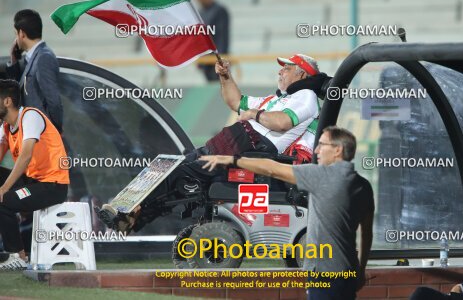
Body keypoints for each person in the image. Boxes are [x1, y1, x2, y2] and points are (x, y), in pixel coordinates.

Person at [98, 54, 324, 233]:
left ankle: (127, 213)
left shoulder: (306, 96)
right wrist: (225, 77)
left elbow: (282, 122)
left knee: (180, 173)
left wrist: (253, 114)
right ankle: (131, 216)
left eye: (287, 67)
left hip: (249, 145)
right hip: (233, 140)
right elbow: (236, 102)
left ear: (302, 74)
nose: (280, 71)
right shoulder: (277, 99)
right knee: (167, 167)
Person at [201, 126, 375, 300]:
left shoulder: (322, 176)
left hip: (324, 273)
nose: (316, 150)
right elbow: (366, 233)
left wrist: (233, 159)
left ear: (338, 150)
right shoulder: (364, 186)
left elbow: (272, 169)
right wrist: (360, 270)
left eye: (322, 144)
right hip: (349, 273)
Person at [0, 80, 69, 270]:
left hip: (52, 186)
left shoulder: (29, 116)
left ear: (7, 101)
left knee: (3, 201)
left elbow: (25, 155)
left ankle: (18, 256)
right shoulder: (6, 127)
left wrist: (4, 188)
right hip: (33, 183)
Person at [3, 9, 63, 133]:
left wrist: (55, 131)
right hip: (32, 134)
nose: (16, 38)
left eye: (15, 34)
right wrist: (14, 59)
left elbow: (54, 101)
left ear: (22, 34)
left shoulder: (43, 57)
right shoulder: (32, 58)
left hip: (42, 136)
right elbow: (18, 90)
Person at [194, 0, 230, 82]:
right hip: (206, 61)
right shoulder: (201, 12)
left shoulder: (219, 11)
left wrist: (221, 59)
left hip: (216, 60)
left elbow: (222, 37)